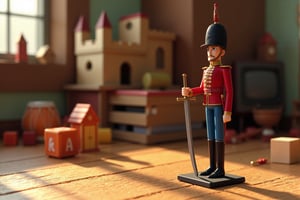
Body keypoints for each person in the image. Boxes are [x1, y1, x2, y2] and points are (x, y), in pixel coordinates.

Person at [181, 3, 233, 178]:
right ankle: (212, 166)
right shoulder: (206, 70)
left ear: (222, 51)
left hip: (218, 107)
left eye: (214, 48)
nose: (210, 52)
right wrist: (190, 91)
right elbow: (203, 88)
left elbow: (230, 91)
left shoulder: (224, 70)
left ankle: (221, 168)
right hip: (207, 106)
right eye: (209, 49)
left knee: (219, 136)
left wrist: (227, 111)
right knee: (210, 135)